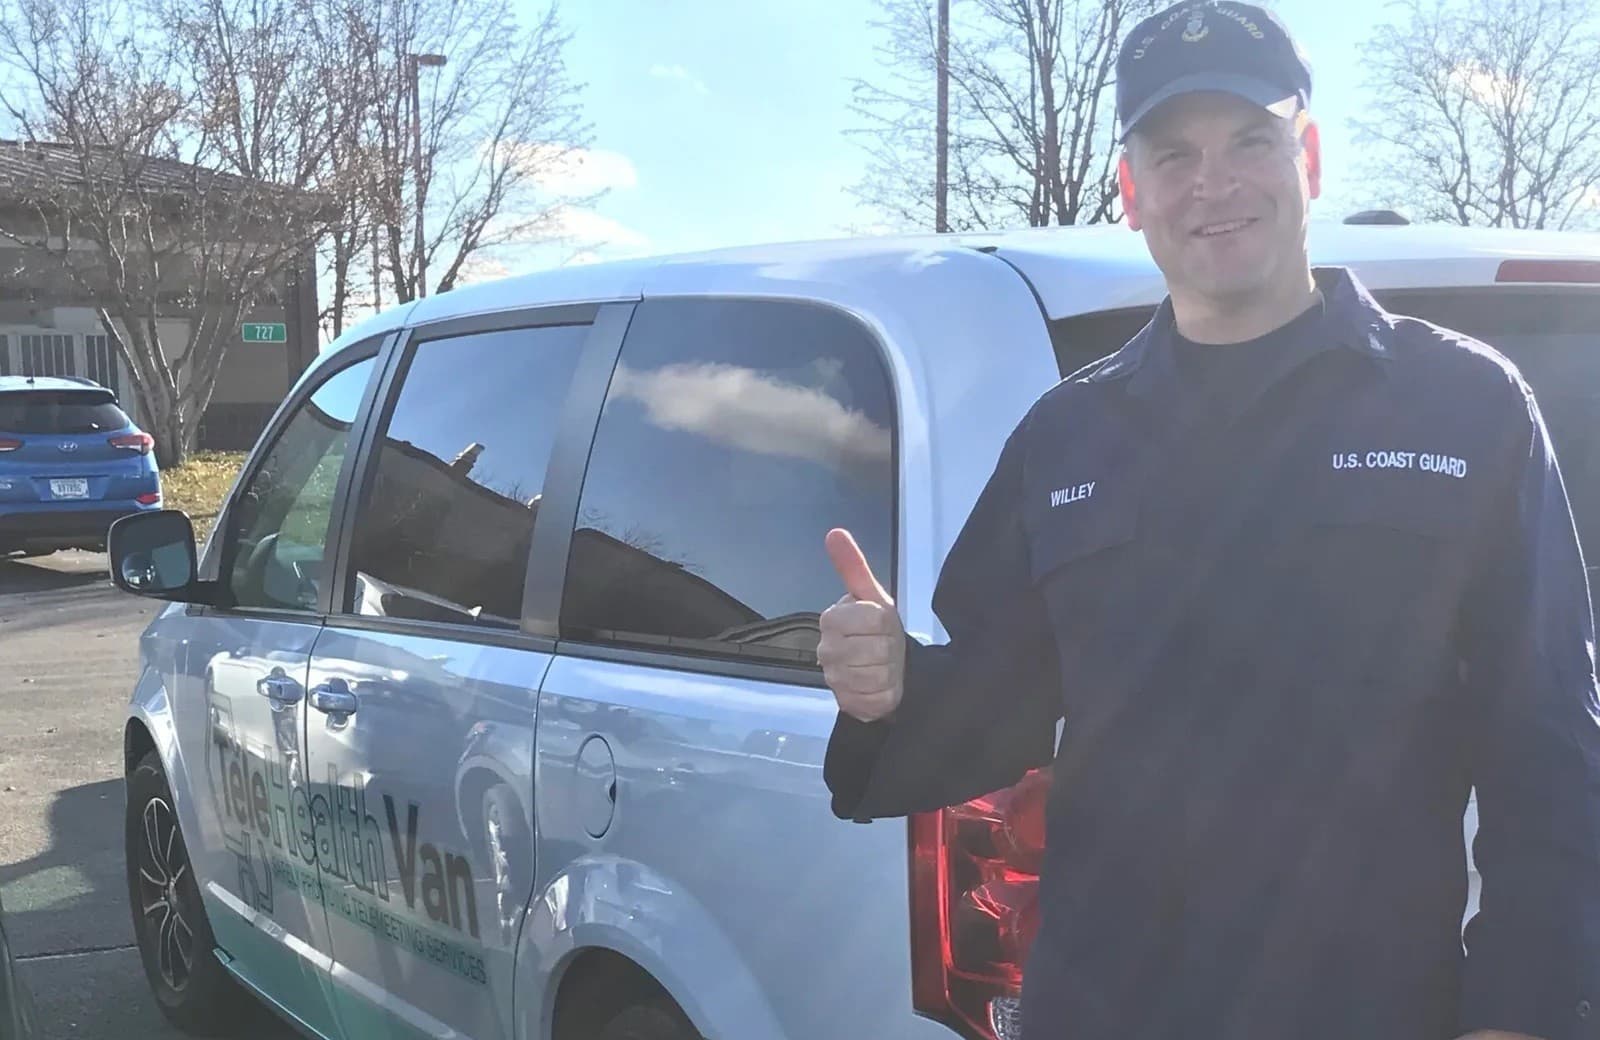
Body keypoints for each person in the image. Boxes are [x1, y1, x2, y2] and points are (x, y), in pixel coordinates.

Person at [816, 2, 1600, 1039]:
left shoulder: (1465, 408)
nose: (1213, 183)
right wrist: (888, 690)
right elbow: (989, 710)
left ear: (1308, 157)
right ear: (1130, 188)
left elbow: (1547, 739)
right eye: (1173, 152)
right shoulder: (1065, 437)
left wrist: (1520, 1010)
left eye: (1250, 140)